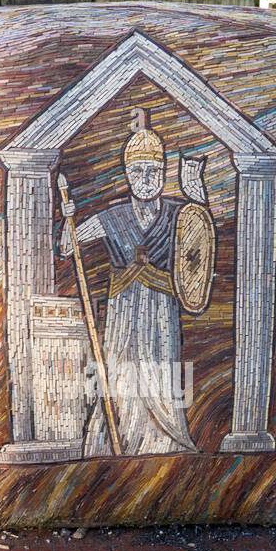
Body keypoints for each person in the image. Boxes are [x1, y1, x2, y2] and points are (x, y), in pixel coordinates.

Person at [58, 117, 198, 457]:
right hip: (124, 309)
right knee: (121, 372)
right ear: (128, 175)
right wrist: (67, 218)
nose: (146, 180)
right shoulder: (114, 217)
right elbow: (67, 246)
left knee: (159, 374)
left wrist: (198, 196)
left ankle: (163, 439)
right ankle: (118, 437)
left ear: (163, 173)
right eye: (139, 172)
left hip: (162, 309)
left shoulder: (178, 214)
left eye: (153, 171)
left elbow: (200, 243)